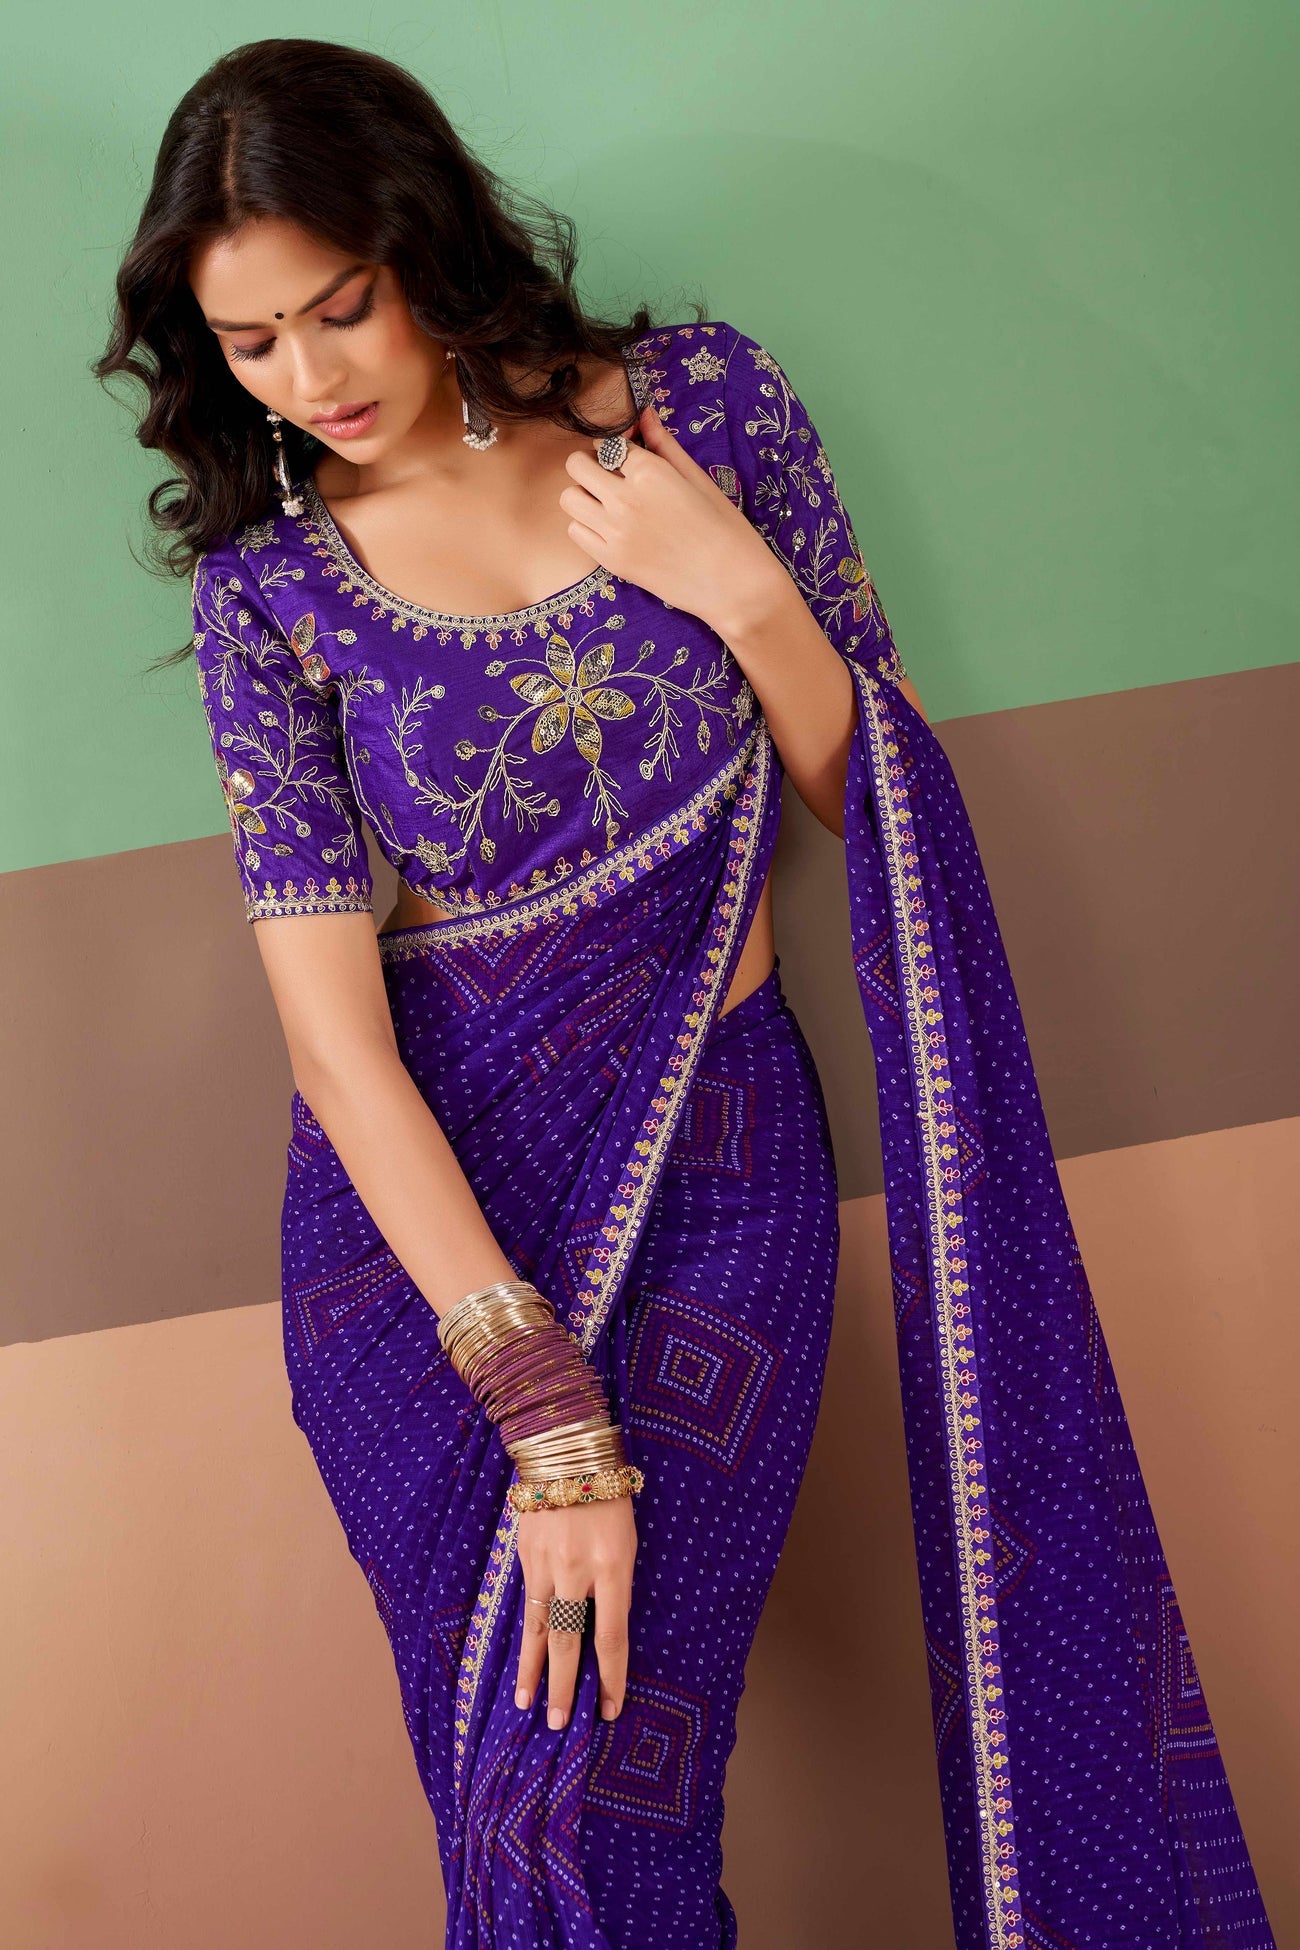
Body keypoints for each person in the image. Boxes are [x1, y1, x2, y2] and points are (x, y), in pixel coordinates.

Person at [95, 36, 1276, 1950]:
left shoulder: (697, 408)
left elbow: (868, 789)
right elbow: (332, 1040)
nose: (311, 379)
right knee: (511, 1806)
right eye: (252, 344)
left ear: (424, 242)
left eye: (342, 307)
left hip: (723, 1172)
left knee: (607, 1782)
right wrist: (537, 1398)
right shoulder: (271, 595)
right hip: (422, 1261)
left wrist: (733, 582)